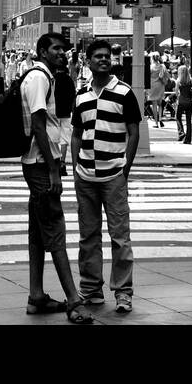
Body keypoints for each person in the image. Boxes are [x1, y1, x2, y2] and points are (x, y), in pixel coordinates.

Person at [20, 33, 93, 324]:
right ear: (42, 51)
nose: (62, 53)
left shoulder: (42, 76)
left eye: (64, 49)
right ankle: (75, 301)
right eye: (56, 49)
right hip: (40, 165)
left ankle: (36, 296)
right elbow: (39, 125)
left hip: (36, 162)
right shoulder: (39, 78)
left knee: (38, 234)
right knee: (55, 232)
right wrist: (53, 170)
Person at [71, 39, 141, 314]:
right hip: (85, 177)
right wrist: (76, 164)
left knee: (120, 237)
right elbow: (77, 132)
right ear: (88, 61)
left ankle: (123, 292)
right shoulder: (82, 95)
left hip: (114, 176)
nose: (103, 59)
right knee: (88, 236)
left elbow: (133, 132)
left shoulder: (124, 93)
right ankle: (90, 290)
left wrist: (126, 169)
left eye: (106, 56)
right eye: (97, 56)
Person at [54, 59, 77, 175]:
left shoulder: (53, 79)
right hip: (66, 113)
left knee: (53, 137)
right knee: (64, 138)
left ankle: (55, 161)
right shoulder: (69, 80)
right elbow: (73, 96)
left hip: (54, 112)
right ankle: (62, 162)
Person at [148, 50, 167, 128]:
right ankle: (160, 119)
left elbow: (148, 76)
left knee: (154, 105)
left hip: (153, 85)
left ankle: (156, 122)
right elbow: (165, 75)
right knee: (160, 104)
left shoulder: (151, 67)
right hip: (160, 85)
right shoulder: (162, 66)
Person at [175, 62, 192, 143]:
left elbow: (176, 93)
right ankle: (188, 139)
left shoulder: (179, 81)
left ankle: (181, 132)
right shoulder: (190, 80)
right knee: (188, 121)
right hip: (190, 102)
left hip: (181, 101)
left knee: (178, 117)